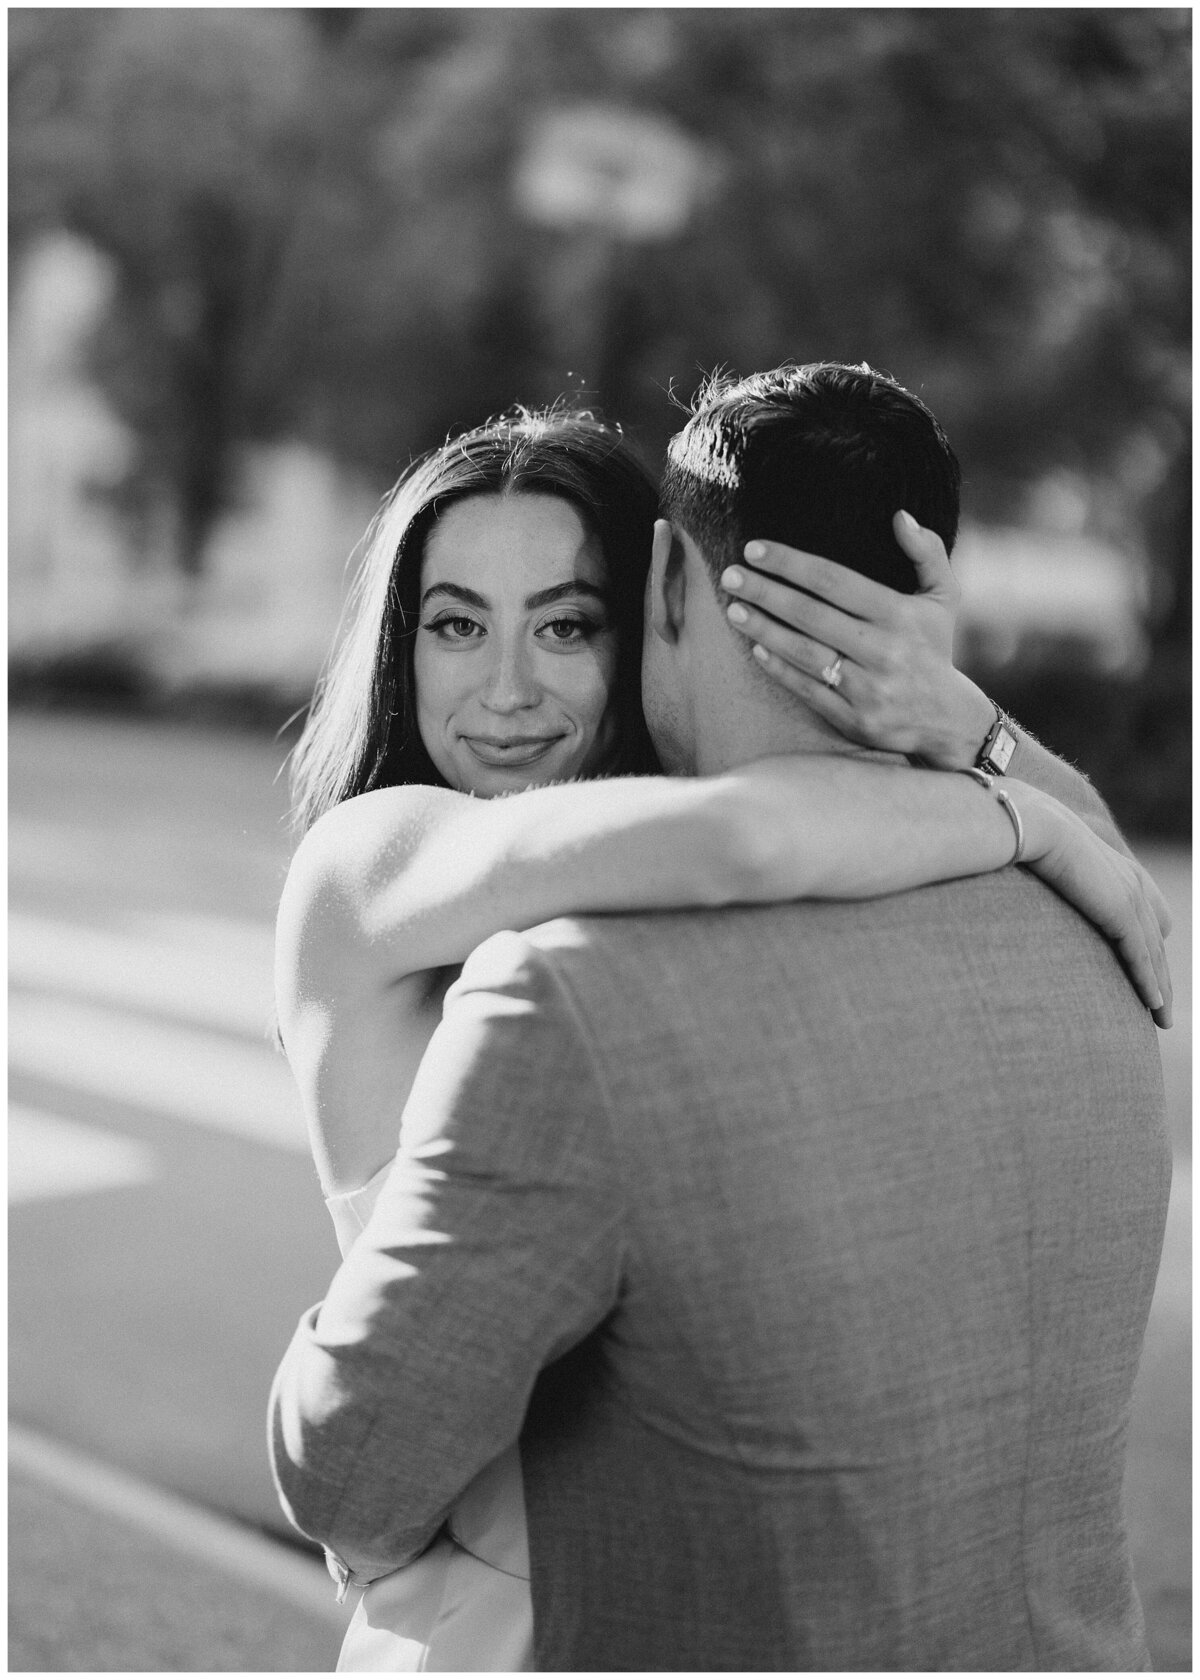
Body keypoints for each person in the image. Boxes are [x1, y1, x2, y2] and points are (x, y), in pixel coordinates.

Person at [270, 377, 1170, 1670]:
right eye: (457, 626)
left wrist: (957, 717)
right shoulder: (372, 858)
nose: (508, 691)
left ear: (648, 614)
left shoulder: (657, 901)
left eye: (567, 626)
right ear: (399, 652)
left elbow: (1111, 899)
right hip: (482, 1608)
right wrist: (1019, 816)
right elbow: (742, 831)